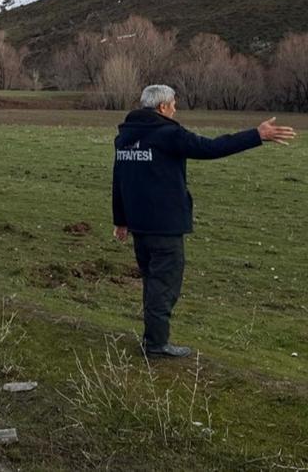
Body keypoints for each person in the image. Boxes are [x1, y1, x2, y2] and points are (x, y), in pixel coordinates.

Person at [112, 84, 295, 358]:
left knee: (153, 283)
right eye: (173, 103)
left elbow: (119, 178)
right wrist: (256, 135)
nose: (175, 108)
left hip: (140, 225)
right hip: (164, 226)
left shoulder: (126, 135)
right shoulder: (168, 134)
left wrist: (121, 220)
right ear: (162, 107)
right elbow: (210, 148)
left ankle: (154, 338)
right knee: (164, 286)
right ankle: (156, 345)